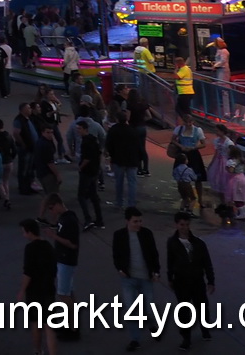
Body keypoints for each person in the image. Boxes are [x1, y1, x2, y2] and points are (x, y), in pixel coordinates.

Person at [112, 207, 160, 351]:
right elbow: (116, 255)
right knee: (131, 310)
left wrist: (156, 272)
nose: (138, 224)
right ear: (127, 221)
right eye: (135, 221)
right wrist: (120, 269)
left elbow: (154, 254)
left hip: (146, 278)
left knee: (148, 309)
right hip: (129, 278)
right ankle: (135, 339)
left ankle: (151, 324)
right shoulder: (119, 235)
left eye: (140, 221)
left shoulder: (146, 234)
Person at [165, 212, 214, 349]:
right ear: (177, 225)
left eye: (186, 225)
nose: (184, 228)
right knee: (184, 311)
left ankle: (204, 329)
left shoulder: (199, 243)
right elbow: (170, 261)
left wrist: (211, 280)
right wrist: (170, 277)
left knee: (202, 307)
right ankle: (186, 338)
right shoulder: (173, 243)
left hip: (197, 280)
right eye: (182, 225)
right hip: (181, 281)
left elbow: (207, 263)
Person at [18, 219, 59, 355]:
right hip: (48, 290)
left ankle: (38, 351)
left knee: (35, 323)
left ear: (29, 232)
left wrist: (21, 292)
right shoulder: (49, 247)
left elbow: (27, 273)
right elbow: (54, 269)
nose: (23, 235)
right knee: (49, 325)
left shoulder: (30, 249)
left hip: (34, 292)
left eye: (24, 232)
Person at [45, 193, 81, 340]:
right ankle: (70, 324)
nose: (51, 211)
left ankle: (72, 328)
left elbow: (72, 244)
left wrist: (53, 236)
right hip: (63, 260)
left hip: (66, 261)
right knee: (68, 293)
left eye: (52, 208)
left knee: (63, 295)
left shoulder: (70, 220)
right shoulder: (64, 218)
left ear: (58, 204)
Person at [105, 113, 142, 209]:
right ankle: (131, 204)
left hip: (118, 160)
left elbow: (109, 145)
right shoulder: (133, 131)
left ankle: (119, 202)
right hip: (132, 160)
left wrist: (112, 156)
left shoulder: (113, 130)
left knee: (119, 182)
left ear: (117, 119)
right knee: (132, 182)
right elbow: (139, 146)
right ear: (127, 119)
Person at [75, 120, 104, 231]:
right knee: (93, 195)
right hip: (94, 171)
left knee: (81, 196)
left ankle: (88, 219)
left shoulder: (86, 142)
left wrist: (80, 167)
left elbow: (87, 158)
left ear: (85, 129)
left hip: (87, 172)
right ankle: (99, 220)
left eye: (79, 129)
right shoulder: (93, 140)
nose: (77, 131)